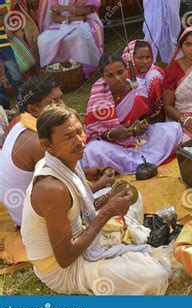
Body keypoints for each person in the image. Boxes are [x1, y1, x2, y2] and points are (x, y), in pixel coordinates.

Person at [21, 106, 170, 295]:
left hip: (79, 232)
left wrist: (108, 198)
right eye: (68, 137)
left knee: (133, 196)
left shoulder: (65, 158)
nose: (79, 141)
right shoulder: (52, 189)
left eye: (80, 131)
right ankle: (125, 248)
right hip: (64, 269)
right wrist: (108, 211)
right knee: (154, 275)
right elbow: (65, 257)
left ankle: (123, 244)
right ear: (47, 145)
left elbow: (82, 208)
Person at [0, 76, 113, 226]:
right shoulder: (41, 143)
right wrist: (100, 185)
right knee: (117, 198)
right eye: (54, 102)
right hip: (34, 219)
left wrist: (84, 173)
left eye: (61, 98)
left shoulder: (23, 122)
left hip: (21, 210)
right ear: (34, 109)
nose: (62, 105)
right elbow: (75, 194)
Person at [82, 53, 182, 174]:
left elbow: (144, 117)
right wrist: (113, 134)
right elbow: (94, 134)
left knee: (173, 128)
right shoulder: (98, 95)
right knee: (92, 150)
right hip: (112, 145)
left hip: (138, 139)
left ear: (126, 70)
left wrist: (142, 125)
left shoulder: (137, 88)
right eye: (110, 75)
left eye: (120, 72)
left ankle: (132, 164)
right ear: (103, 77)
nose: (117, 79)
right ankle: (141, 163)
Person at [37, 0, 104, 78]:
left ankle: (82, 69)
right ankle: (57, 72)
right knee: (43, 39)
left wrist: (63, 8)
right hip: (63, 22)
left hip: (87, 20)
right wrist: (70, 18)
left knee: (79, 35)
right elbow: (54, 17)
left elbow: (87, 10)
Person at [122, 40, 166, 121]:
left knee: (154, 78)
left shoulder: (155, 74)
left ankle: (156, 116)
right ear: (131, 58)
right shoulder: (124, 75)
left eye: (148, 57)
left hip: (153, 115)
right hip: (132, 119)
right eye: (140, 58)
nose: (145, 62)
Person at [0, 0, 24, 113]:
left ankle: (25, 108)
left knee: (15, 76)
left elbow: (4, 18)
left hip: (3, 45)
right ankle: (4, 110)